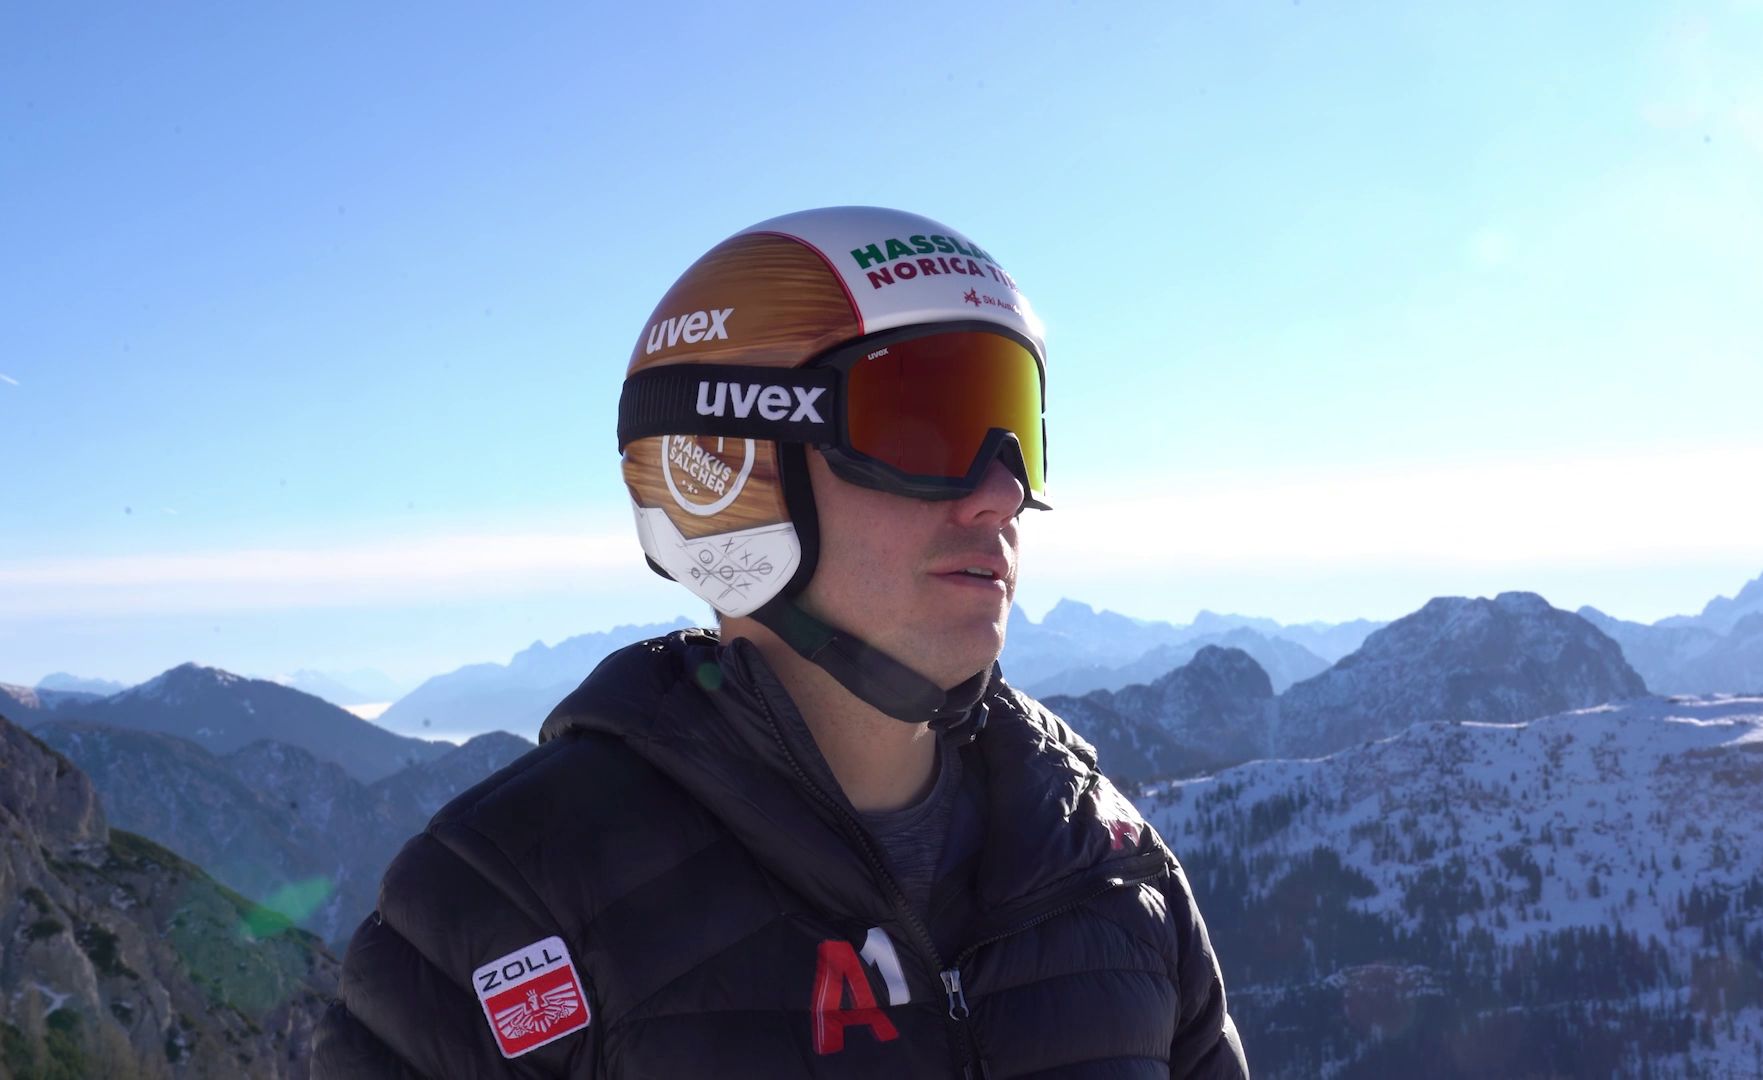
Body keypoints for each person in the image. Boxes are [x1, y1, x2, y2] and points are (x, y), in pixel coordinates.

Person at [313, 206, 1246, 1078]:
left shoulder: (1111, 869)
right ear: (731, 467)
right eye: (925, 426)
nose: (1001, 493)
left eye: (1016, 438)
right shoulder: (502, 918)